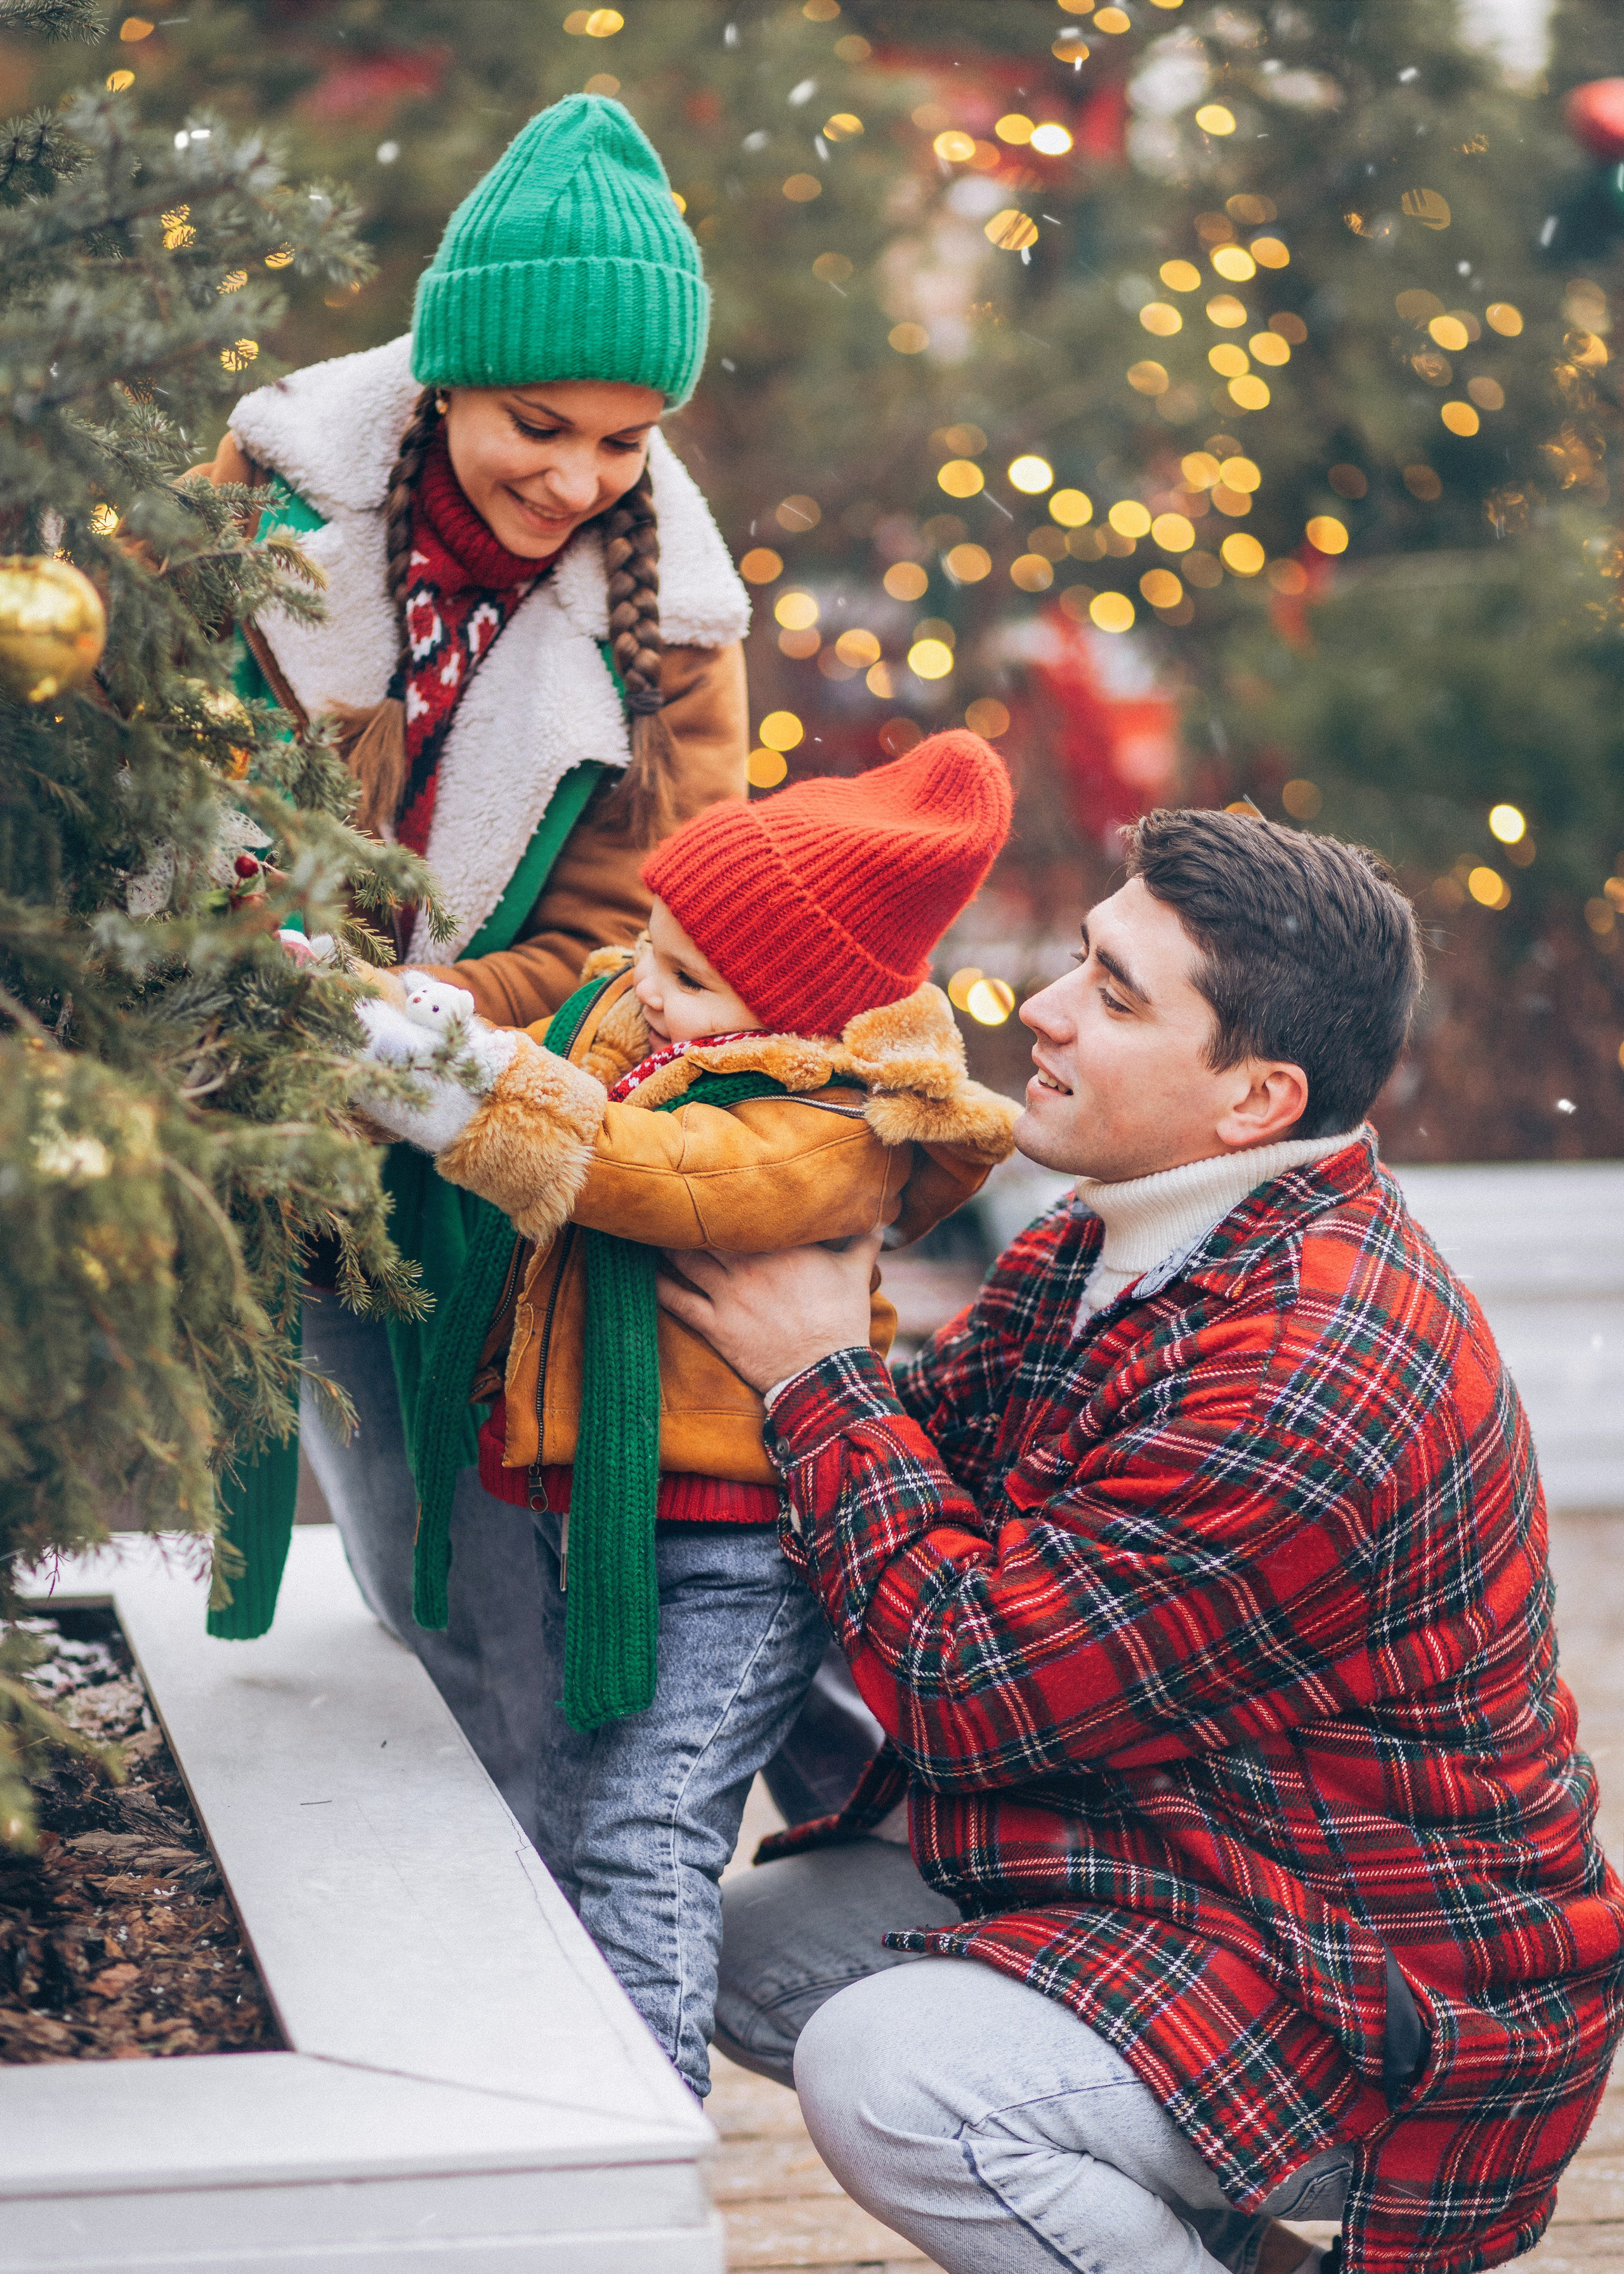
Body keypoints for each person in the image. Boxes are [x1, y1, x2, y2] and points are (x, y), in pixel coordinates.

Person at [657, 809, 1624, 2274]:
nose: (1038, 1009)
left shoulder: (1308, 1364)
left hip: (1374, 1983)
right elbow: (938, 1475)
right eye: (1076, 960)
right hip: (1189, 1859)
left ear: (1253, 1098)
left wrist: (810, 1381)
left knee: (891, 2075)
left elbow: (964, 1685)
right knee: (748, 1959)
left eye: (1111, 995)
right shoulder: (1105, 1244)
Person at [187, 94, 750, 1830]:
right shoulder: (252, 512)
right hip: (199, 1077)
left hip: (457, 1123)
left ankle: (584, 1860)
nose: (576, 481)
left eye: (623, 441)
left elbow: (632, 930)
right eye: (538, 424)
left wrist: (409, 1028)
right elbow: (137, 767)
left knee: (472, 1543)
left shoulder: (674, 627)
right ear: (442, 378)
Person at [350, 730, 1021, 2099]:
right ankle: (571, 2084)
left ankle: (641, 2121)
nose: (642, 986)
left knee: (645, 1827)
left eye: (687, 976)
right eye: (648, 941)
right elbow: (527, 1047)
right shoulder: (651, 1018)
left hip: (741, 1550)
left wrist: (427, 1077)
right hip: (599, 1519)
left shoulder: (825, 1133)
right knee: (583, 1807)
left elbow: (627, 1167)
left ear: (797, 1015)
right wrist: (380, 1016)